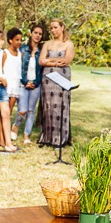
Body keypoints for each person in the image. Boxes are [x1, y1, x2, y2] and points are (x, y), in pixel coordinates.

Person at [38, 19, 74, 147]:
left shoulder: (69, 44)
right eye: (51, 28)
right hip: (48, 77)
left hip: (62, 77)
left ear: (62, 27)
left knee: (61, 106)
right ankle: (47, 137)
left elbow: (66, 60)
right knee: (48, 106)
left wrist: (49, 59)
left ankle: (60, 137)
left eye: (55, 27)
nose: (53, 30)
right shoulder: (47, 43)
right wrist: (54, 62)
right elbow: (41, 61)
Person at [13, 23, 44, 145]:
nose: (37, 36)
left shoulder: (42, 52)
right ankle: (16, 126)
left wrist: (35, 83)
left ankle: (26, 135)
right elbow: (18, 68)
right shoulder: (22, 50)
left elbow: (42, 71)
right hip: (23, 84)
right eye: (35, 33)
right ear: (31, 34)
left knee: (31, 111)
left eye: (40, 34)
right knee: (22, 110)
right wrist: (25, 82)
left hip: (36, 85)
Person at [0, 28, 22, 145]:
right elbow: (1, 69)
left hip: (15, 86)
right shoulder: (5, 53)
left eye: (20, 40)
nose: (19, 42)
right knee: (3, 113)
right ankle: (2, 139)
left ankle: (6, 136)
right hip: (6, 85)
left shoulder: (20, 54)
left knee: (9, 113)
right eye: (16, 40)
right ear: (10, 40)